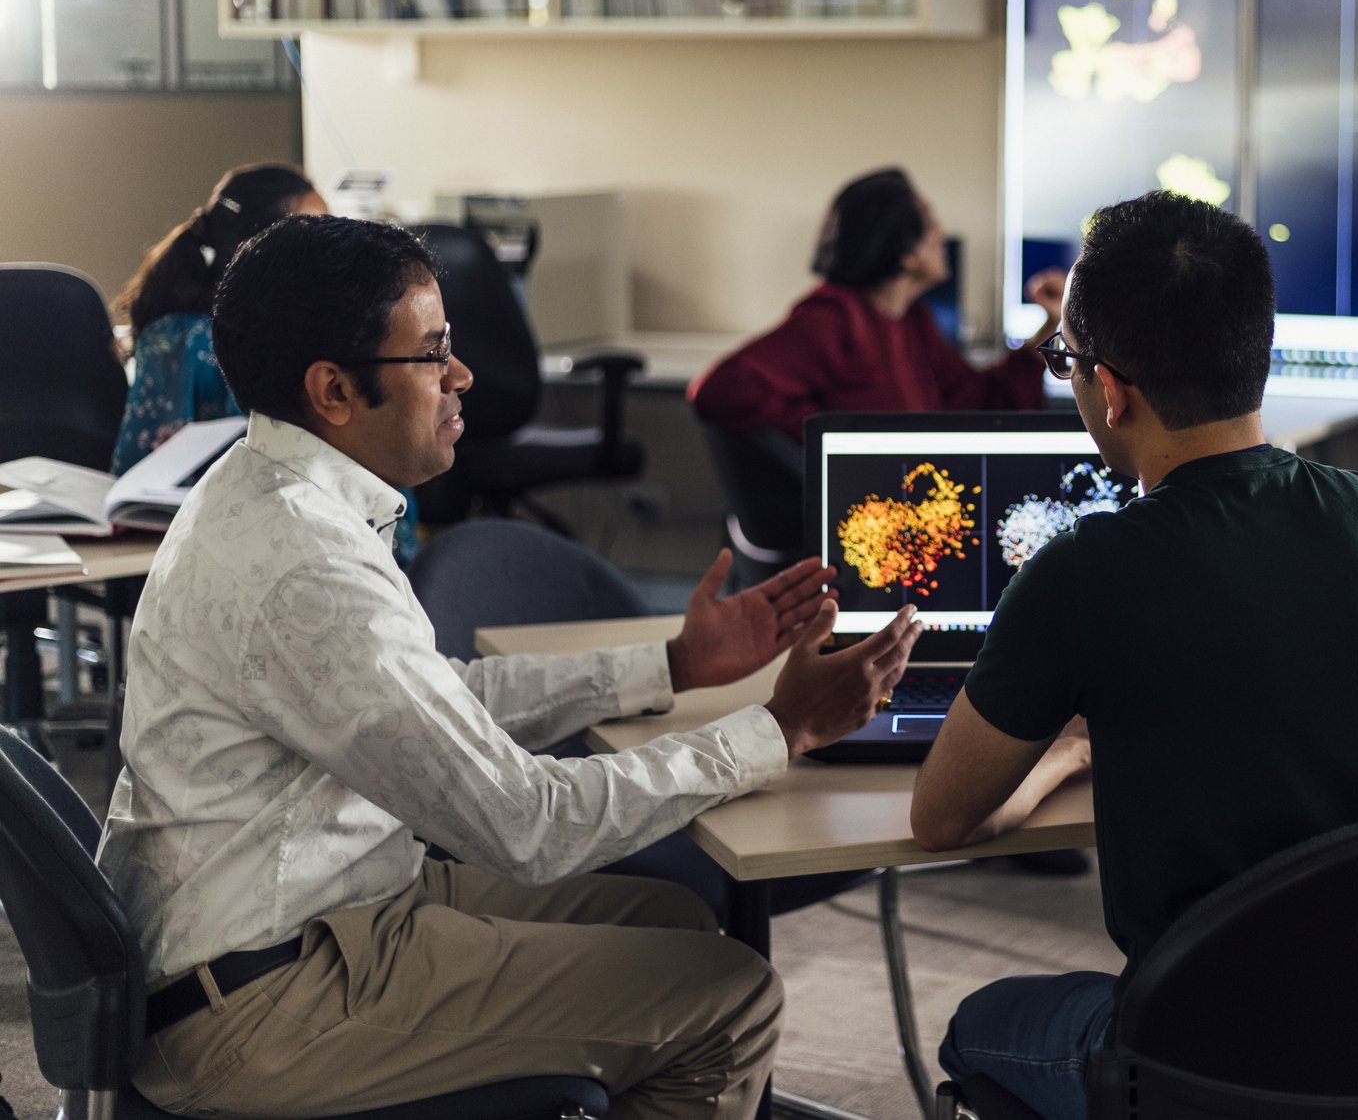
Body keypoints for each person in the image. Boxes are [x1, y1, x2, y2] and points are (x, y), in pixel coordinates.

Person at [99, 215, 923, 1120]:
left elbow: (433, 698)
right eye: (433, 354)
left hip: (300, 914)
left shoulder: (272, 487)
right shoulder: (306, 566)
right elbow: (526, 825)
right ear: (333, 390)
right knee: (727, 997)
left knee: (671, 920)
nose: (462, 378)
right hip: (259, 1006)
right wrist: (780, 729)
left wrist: (675, 664)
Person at [909, 192, 1358, 1120]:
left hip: (1197, 1057)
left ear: (1111, 389)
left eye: (1063, 360)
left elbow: (942, 817)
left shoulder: (1083, 570)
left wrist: (1070, 747)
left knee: (975, 1025)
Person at [109, 162, 423, 564]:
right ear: (260, 249)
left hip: (325, 530)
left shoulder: (321, 333)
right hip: (227, 537)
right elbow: (134, 473)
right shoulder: (184, 339)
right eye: (315, 236)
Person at [689, 167, 1068, 443]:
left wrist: (1048, 322)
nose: (940, 234)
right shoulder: (832, 320)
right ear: (906, 254)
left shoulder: (912, 322)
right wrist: (832, 438)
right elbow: (717, 389)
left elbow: (979, 401)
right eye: (931, 223)